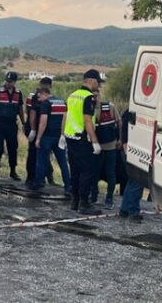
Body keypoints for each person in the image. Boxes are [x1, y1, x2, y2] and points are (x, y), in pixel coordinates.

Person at [63, 69, 103, 215]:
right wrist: (95, 142)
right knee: (86, 172)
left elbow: (66, 116)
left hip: (70, 138)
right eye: (98, 82)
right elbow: (87, 120)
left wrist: (63, 135)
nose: (99, 86)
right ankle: (84, 203)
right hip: (82, 140)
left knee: (75, 171)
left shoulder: (72, 95)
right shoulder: (88, 97)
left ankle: (75, 201)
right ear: (91, 80)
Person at [33, 87, 71, 196]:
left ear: (44, 94)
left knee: (41, 161)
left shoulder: (46, 103)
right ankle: (68, 185)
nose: (39, 99)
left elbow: (43, 122)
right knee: (63, 162)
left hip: (47, 136)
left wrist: (38, 138)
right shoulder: (62, 102)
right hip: (60, 137)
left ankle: (38, 183)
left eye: (39, 96)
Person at [89, 91, 121, 209]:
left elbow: (119, 122)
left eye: (97, 95)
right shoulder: (89, 109)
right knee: (94, 172)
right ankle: (93, 195)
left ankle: (109, 198)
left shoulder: (110, 107)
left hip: (110, 146)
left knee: (110, 173)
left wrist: (120, 139)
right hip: (96, 147)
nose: (95, 98)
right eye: (93, 96)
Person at [25, 77, 55, 187]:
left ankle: (44, 178)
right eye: (43, 84)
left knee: (43, 155)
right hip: (34, 128)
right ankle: (30, 177)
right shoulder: (35, 97)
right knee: (33, 154)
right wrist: (32, 130)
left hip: (43, 130)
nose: (44, 87)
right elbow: (31, 113)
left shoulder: (50, 98)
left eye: (46, 85)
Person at [118, 109, 144, 222]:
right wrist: (127, 151)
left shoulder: (127, 113)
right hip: (131, 151)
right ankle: (133, 211)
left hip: (129, 150)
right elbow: (125, 133)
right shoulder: (132, 114)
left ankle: (124, 209)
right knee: (138, 181)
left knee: (132, 181)